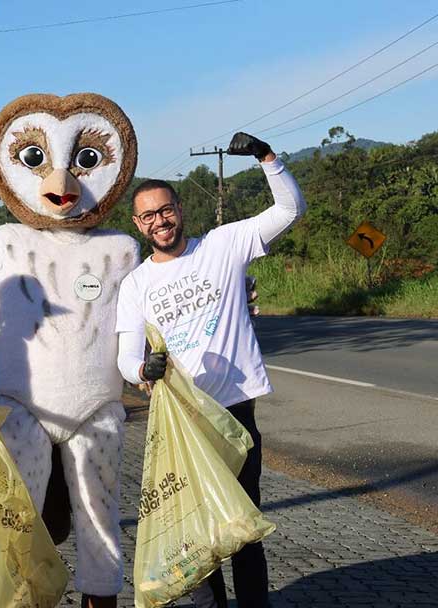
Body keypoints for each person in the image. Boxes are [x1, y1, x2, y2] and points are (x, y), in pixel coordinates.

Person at [115, 132, 307, 608]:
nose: (160, 221)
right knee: (199, 530)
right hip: (183, 422)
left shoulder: (223, 245)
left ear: (179, 209)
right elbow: (125, 356)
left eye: (166, 210)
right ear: (138, 224)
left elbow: (289, 211)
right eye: (149, 215)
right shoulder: (136, 284)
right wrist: (144, 367)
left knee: (242, 525)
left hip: (235, 410)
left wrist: (267, 158)